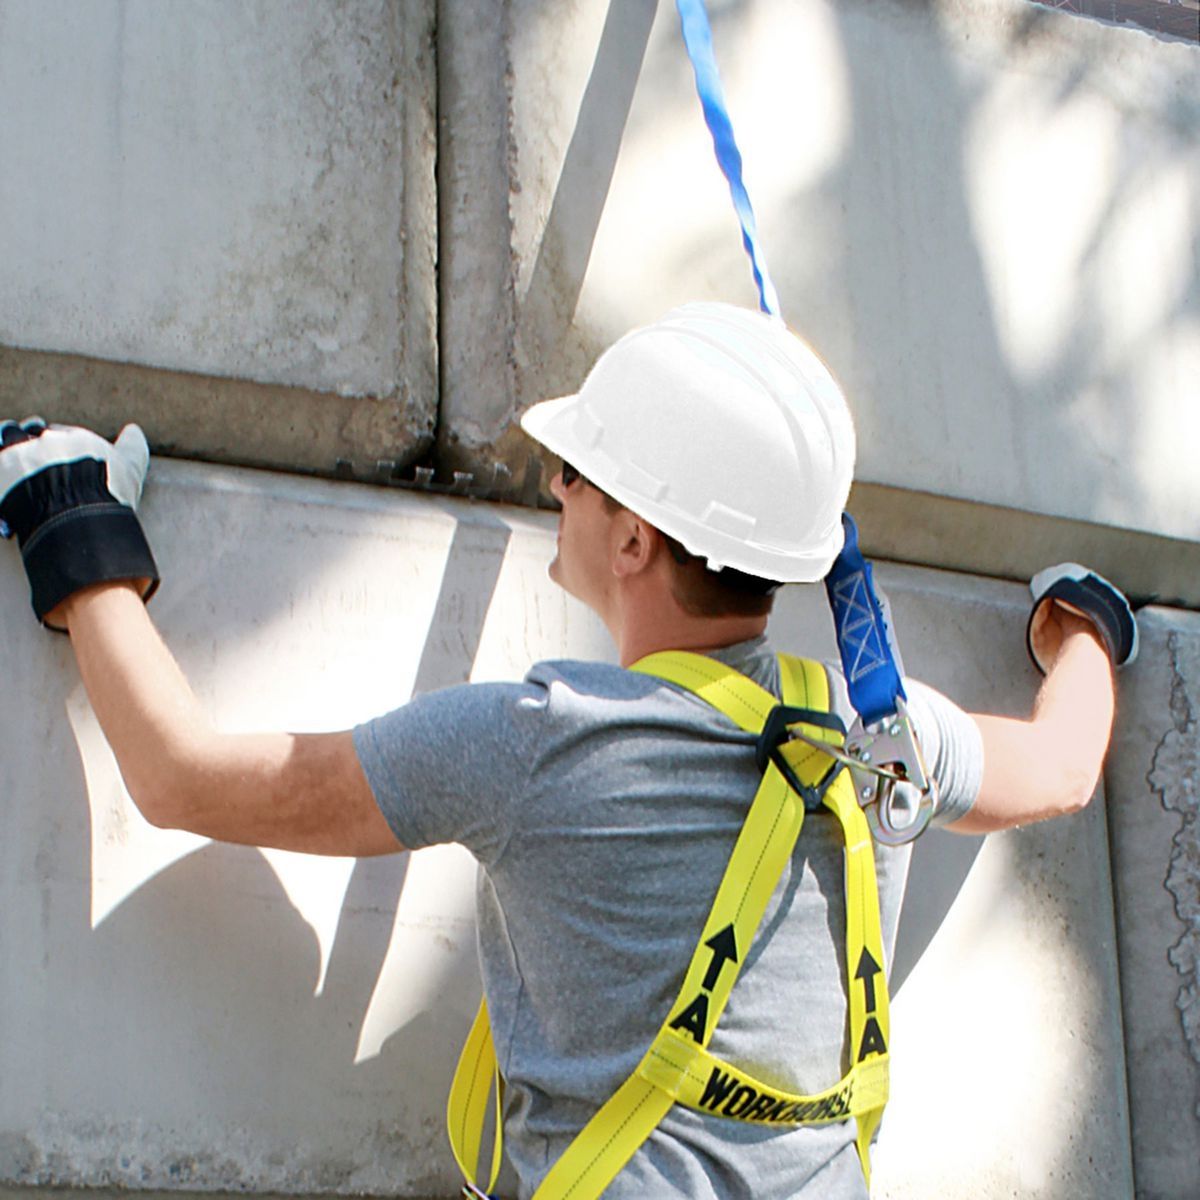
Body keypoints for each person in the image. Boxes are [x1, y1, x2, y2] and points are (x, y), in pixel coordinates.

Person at [0, 303, 1135, 1199]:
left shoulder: (534, 743)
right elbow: (1064, 766)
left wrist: (74, 525)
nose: (554, 486)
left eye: (576, 474)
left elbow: (179, 776)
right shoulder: (885, 742)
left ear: (633, 539)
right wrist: (1082, 630)